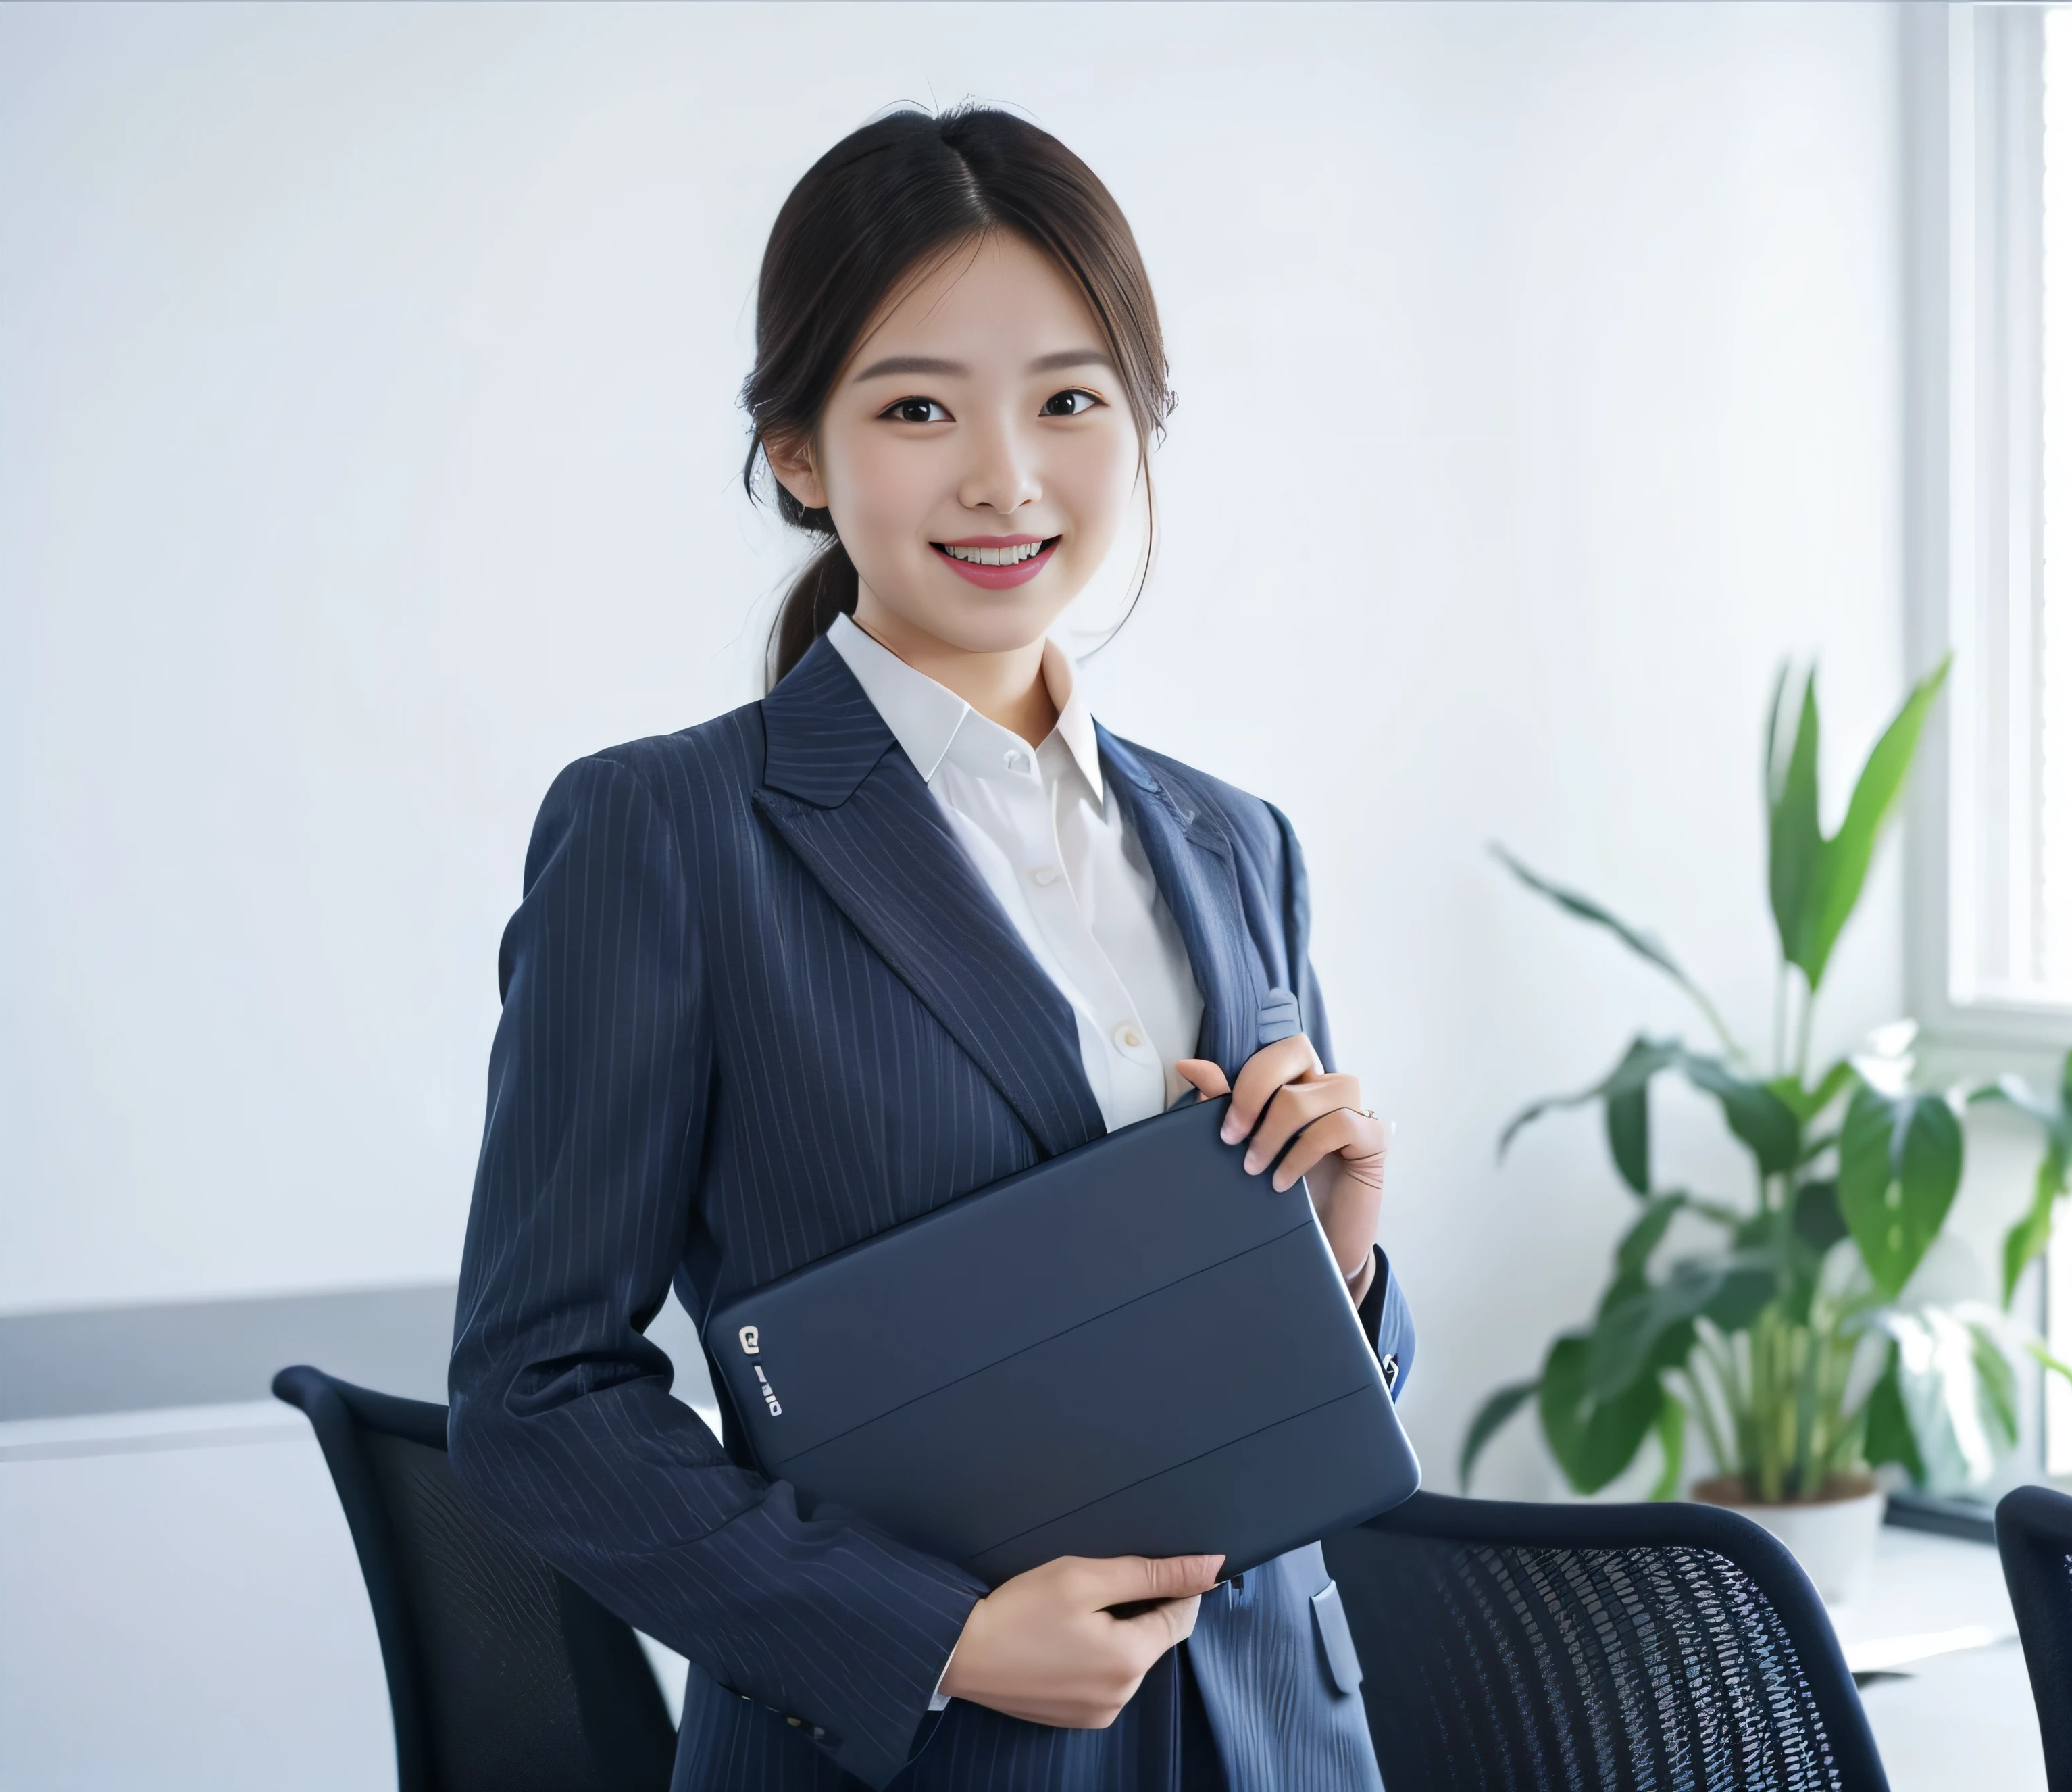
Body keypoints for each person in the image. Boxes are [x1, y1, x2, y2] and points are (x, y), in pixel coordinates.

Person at [447, 106, 1413, 1792]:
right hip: (908, 1756)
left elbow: (1313, 1405)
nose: (1004, 478)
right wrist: (935, 1638)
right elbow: (537, 1399)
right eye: (916, 409)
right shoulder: (666, 834)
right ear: (801, 455)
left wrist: (1335, 1264)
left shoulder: (1233, 842)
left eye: (1068, 400)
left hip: (1273, 1741)